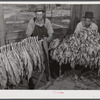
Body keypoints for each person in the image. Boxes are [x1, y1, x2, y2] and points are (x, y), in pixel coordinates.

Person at [26, 5, 54, 89]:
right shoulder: (32, 21)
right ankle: (30, 80)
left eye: (40, 14)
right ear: (35, 14)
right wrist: (34, 43)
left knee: (47, 58)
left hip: (44, 43)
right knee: (29, 61)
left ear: (43, 14)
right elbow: (28, 35)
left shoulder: (47, 22)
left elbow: (51, 35)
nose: (38, 16)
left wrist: (46, 40)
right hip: (34, 44)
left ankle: (48, 74)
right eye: (37, 14)